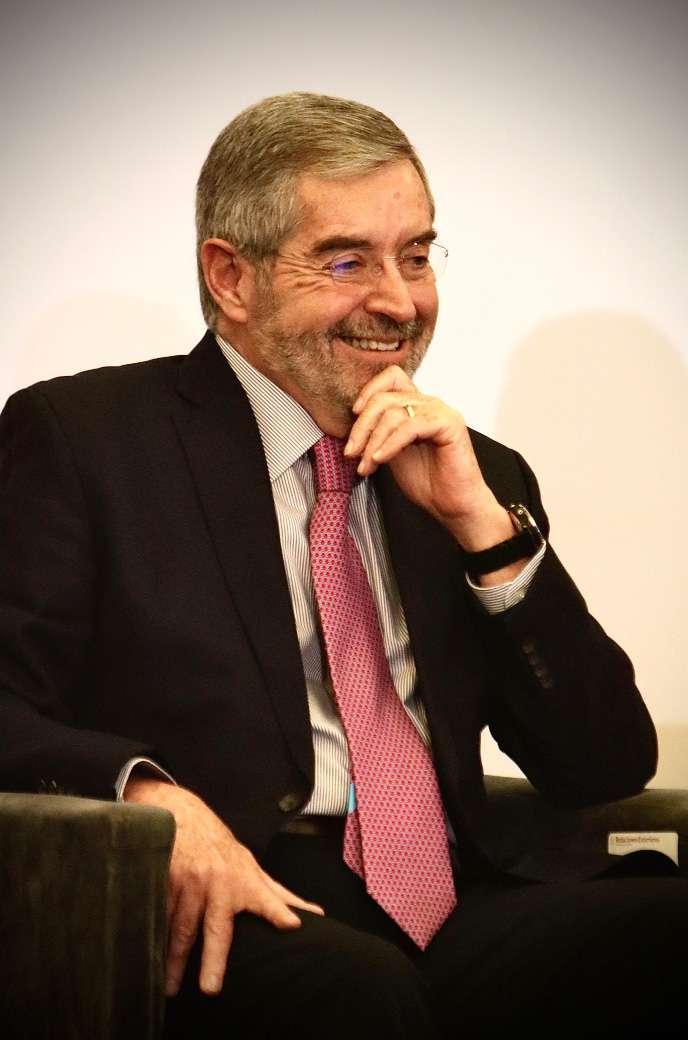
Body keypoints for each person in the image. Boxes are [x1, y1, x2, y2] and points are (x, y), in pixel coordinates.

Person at [0, 92, 685, 1038]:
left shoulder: (475, 474)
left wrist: (486, 532)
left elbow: (603, 764)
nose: (400, 303)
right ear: (231, 278)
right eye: (347, 261)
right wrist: (147, 799)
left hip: (452, 891)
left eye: (416, 256)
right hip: (233, 886)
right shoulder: (85, 441)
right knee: (357, 993)